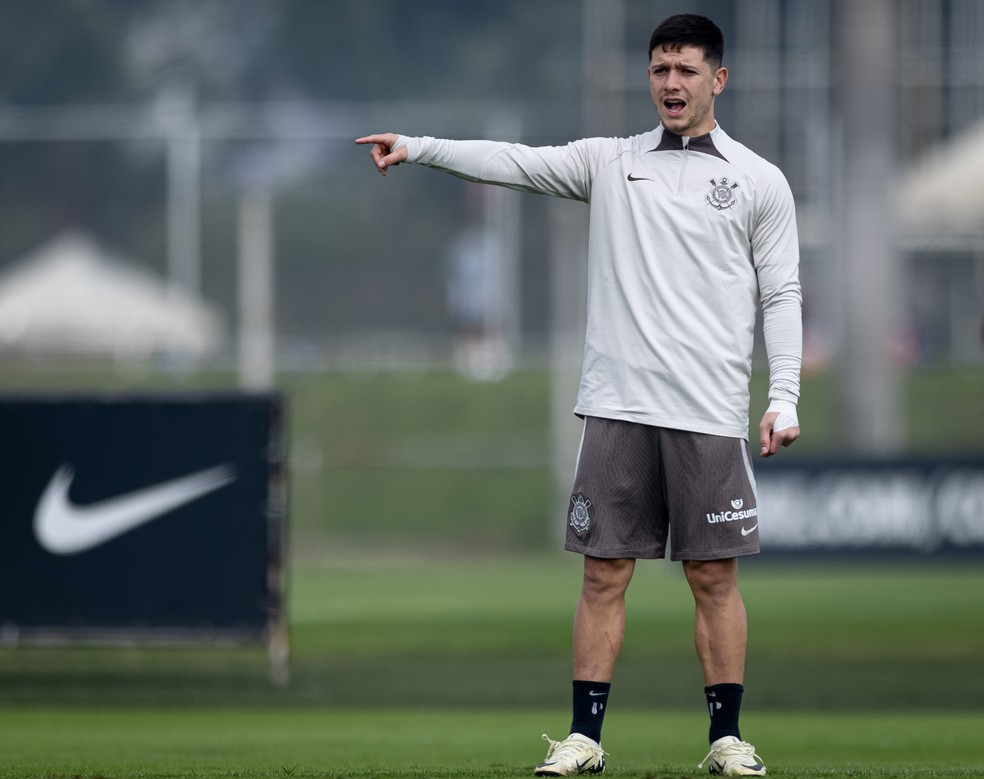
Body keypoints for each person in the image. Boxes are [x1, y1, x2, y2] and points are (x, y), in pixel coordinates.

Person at [357, 13, 801, 777]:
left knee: (712, 577)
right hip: (619, 406)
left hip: (708, 411)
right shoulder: (610, 161)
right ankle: (583, 738)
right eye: (660, 69)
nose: (670, 83)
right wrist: (420, 147)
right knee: (602, 573)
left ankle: (726, 739)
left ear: (717, 80)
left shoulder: (758, 180)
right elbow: (515, 162)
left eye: (686, 70)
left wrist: (784, 394)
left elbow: (782, 293)